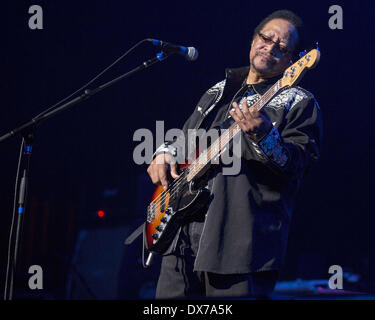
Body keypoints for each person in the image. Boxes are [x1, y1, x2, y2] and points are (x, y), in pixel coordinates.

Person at [147, 9, 322, 299]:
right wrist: (165, 152)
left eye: (282, 47)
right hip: (181, 237)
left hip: (239, 245)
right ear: (254, 39)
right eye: (267, 38)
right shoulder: (218, 91)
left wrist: (264, 135)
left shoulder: (299, 101)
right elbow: (186, 139)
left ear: (293, 60)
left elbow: (298, 166)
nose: (271, 47)